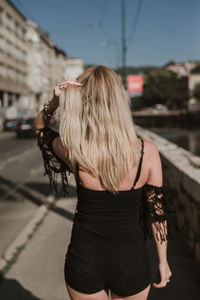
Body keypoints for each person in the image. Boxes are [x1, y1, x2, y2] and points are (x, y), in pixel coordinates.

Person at [34, 65, 175, 300]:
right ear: (120, 101)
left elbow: (40, 128)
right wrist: (163, 261)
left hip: (84, 259)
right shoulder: (147, 152)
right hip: (131, 262)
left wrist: (54, 102)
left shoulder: (74, 150)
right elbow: (157, 213)